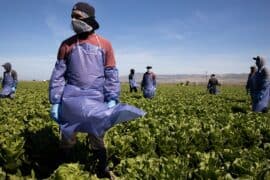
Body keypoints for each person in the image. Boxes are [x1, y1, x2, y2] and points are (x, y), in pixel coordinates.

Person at [48, 2, 145, 179]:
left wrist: (112, 97)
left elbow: (111, 74)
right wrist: (56, 101)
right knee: (67, 137)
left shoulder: (105, 45)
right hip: (71, 99)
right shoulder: (66, 45)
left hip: (96, 99)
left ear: (89, 18)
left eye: (77, 17)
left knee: (97, 137)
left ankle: (102, 169)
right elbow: (58, 75)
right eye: (72, 17)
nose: (73, 21)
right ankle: (62, 170)